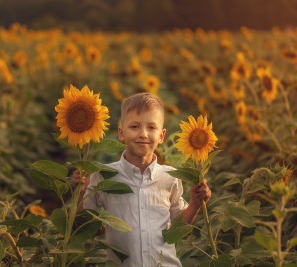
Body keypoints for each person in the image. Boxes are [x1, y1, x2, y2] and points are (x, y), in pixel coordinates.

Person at [72, 93, 211, 267]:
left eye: (151, 127)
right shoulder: (104, 176)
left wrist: (195, 204)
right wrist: (80, 192)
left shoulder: (171, 177)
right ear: (121, 133)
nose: (143, 134)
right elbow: (83, 227)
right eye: (135, 126)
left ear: (161, 135)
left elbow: (177, 229)